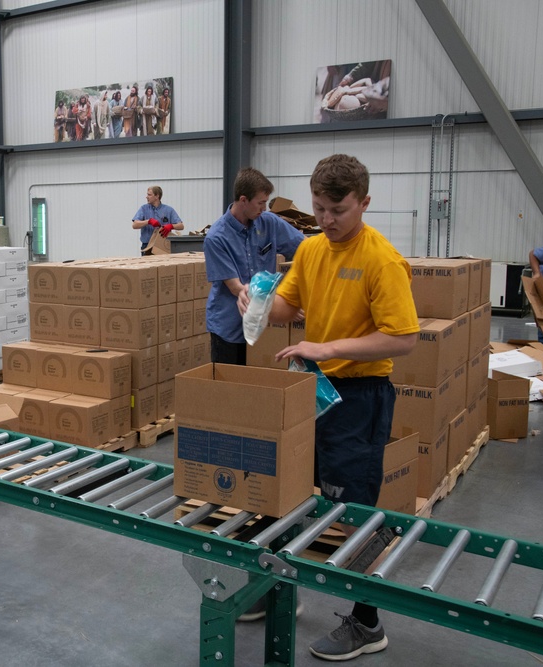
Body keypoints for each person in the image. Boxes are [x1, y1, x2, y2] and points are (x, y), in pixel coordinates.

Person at [242, 154, 419, 660]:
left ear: (364, 202)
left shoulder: (381, 259)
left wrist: (326, 348)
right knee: (292, 491)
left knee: (353, 510)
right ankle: (277, 590)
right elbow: (288, 306)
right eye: (319, 208)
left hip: (359, 400)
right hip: (313, 392)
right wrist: (255, 304)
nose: (325, 219)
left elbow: (402, 339)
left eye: (337, 210)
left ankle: (367, 623)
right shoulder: (313, 250)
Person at [204, 167, 305, 364]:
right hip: (229, 328)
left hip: (263, 326)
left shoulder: (269, 223)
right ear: (243, 200)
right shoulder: (216, 238)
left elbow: (305, 249)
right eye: (261, 203)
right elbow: (238, 289)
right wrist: (286, 307)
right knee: (231, 389)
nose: (264, 209)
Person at [131, 186, 185, 254]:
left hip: (163, 245)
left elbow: (181, 226)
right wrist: (148, 221)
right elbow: (134, 225)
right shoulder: (144, 209)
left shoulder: (168, 210)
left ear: (157, 196)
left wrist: (171, 226)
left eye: (149, 195)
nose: (146, 197)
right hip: (147, 246)